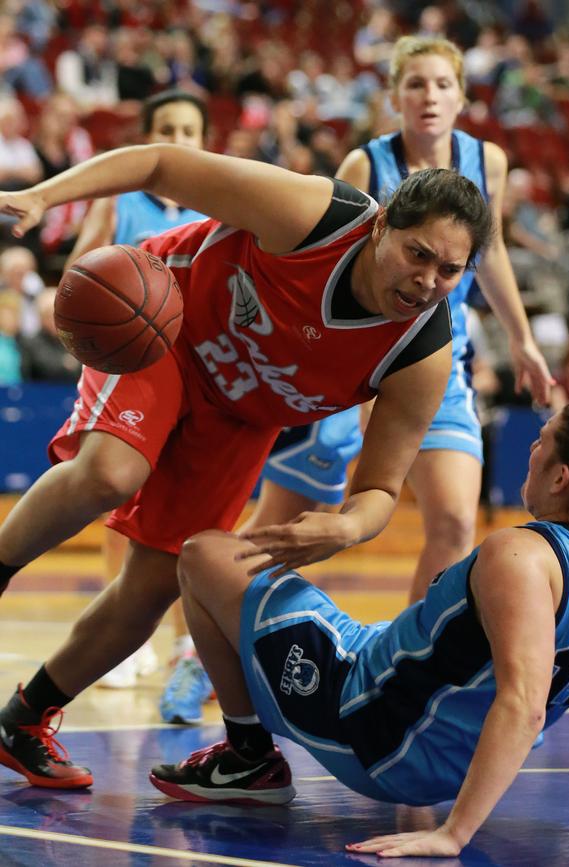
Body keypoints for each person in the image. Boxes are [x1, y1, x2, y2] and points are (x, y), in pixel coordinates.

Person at [0, 142, 493, 788]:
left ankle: (23, 718)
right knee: (113, 472)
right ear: (380, 228)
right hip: (163, 321)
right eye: (418, 253)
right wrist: (43, 195)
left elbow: (378, 487)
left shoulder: (420, 353)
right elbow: (159, 163)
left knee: (154, 584)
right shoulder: (315, 215)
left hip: (240, 415)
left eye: (450, 269)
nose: (429, 280)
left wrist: (346, 527)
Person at [147, 398, 569, 860]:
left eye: (543, 438)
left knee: (205, 553)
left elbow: (523, 703)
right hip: (456, 750)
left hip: (375, 727)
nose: (532, 448)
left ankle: (248, 758)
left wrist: (453, 834)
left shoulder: (521, 557)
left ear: (562, 478)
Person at [336, 36, 552, 601]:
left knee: (457, 525)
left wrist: (523, 340)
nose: (429, 95)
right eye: (415, 83)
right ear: (394, 97)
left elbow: (493, 251)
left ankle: (406, 665)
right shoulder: (366, 162)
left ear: (461, 97)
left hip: (436, 357)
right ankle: (215, 638)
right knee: (321, 518)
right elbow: (334, 259)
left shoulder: (488, 161)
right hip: (356, 354)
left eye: (442, 84)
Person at [63, 88, 213, 713]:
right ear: (150, 136)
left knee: (187, 517)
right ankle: (126, 640)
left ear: (204, 142)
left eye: (189, 130)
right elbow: (78, 280)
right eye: (167, 129)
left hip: (198, 380)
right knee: (120, 502)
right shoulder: (122, 201)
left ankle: (185, 646)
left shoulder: (219, 207)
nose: (178, 141)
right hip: (128, 372)